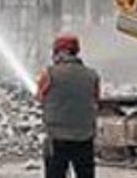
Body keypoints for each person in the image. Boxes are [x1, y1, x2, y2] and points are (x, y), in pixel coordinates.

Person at [36, 32, 100, 178]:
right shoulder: (92, 75)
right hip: (85, 138)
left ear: (59, 52)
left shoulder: (49, 74)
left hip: (57, 140)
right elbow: (96, 99)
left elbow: (40, 98)